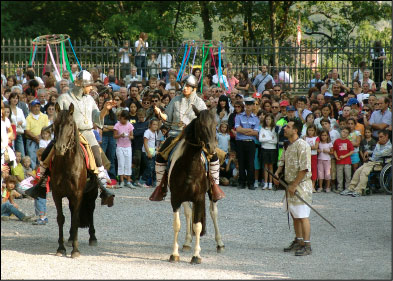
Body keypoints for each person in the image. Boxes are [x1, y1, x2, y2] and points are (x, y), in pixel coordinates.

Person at [25, 70, 115, 206]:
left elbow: (97, 118)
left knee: (97, 156)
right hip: (68, 133)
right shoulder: (64, 98)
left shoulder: (90, 99)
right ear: (81, 85)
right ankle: (41, 183)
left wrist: (105, 110)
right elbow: (56, 117)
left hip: (87, 132)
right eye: (89, 85)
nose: (91, 88)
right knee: (47, 154)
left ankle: (102, 187)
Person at [150, 74, 225, 201]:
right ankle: (160, 187)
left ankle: (214, 186)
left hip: (193, 136)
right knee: (160, 156)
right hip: (175, 135)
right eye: (184, 85)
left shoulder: (199, 102)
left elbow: (204, 121)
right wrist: (160, 114)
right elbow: (168, 120)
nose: (184, 87)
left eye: (188, 86)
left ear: (194, 88)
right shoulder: (175, 100)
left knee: (214, 155)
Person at [274, 118, 313, 256]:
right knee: (295, 214)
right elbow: (282, 160)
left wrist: (295, 184)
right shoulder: (288, 145)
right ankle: (299, 240)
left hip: (301, 184)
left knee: (302, 215)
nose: (284, 128)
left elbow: (305, 168)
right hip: (290, 184)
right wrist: (277, 173)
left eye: (288, 127)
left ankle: (307, 246)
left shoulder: (303, 145)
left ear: (295, 130)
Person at [342, 130, 391, 197]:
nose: (379, 139)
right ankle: (351, 188)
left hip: (380, 163)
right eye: (379, 137)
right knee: (358, 171)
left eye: (381, 137)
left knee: (364, 172)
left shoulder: (389, 147)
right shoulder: (381, 144)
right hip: (372, 162)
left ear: (386, 136)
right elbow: (375, 152)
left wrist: (378, 144)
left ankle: (359, 190)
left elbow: (377, 154)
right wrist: (368, 151)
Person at [234, 97, 260, 190]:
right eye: (247, 104)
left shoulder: (256, 118)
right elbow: (237, 129)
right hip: (240, 142)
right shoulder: (238, 116)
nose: (248, 106)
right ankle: (241, 182)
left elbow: (256, 132)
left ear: (253, 106)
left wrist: (243, 130)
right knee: (241, 162)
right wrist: (250, 130)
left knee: (250, 163)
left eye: (250, 104)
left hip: (250, 143)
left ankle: (250, 183)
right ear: (245, 105)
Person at [25, 99, 49, 170]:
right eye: (35, 106)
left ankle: (41, 172)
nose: (37, 108)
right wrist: (35, 137)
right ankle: (34, 173)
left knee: (42, 157)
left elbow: (46, 128)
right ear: (31, 107)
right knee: (32, 158)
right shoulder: (28, 117)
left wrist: (40, 136)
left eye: (38, 106)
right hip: (31, 140)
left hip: (43, 140)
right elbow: (26, 130)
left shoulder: (44, 116)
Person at [113, 110, 135, 188]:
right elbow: (114, 136)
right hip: (120, 146)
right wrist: (120, 135)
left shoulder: (130, 125)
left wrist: (128, 136)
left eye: (126, 119)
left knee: (128, 163)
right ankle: (121, 181)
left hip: (128, 146)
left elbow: (132, 136)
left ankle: (128, 181)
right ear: (120, 118)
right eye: (123, 119)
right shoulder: (117, 125)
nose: (124, 120)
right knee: (121, 163)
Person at [259, 113, 278, 190]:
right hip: (264, 148)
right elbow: (260, 139)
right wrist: (270, 139)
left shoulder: (274, 129)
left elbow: (275, 141)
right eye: (266, 119)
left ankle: (270, 183)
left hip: (272, 149)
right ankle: (266, 183)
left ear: (272, 120)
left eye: (269, 119)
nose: (267, 121)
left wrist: (266, 139)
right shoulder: (262, 128)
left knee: (271, 166)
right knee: (265, 167)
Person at [333, 127, 354, 194]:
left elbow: (352, 151)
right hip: (339, 161)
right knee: (339, 176)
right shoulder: (337, 141)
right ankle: (340, 188)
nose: (344, 134)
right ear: (340, 132)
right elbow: (334, 150)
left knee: (348, 175)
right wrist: (336, 156)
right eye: (343, 131)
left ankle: (347, 188)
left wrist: (344, 156)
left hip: (347, 161)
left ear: (348, 134)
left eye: (346, 133)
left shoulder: (348, 141)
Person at [140, 119, 159, 188]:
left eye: (156, 124)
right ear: (150, 125)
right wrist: (148, 153)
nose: (155, 126)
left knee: (153, 168)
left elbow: (154, 143)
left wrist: (156, 149)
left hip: (153, 152)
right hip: (147, 152)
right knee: (149, 167)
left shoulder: (155, 132)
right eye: (154, 124)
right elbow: (145, 142)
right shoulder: (147, 132)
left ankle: (154, 182)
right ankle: (141, 181)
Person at [303, 124, 318, 192]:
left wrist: (308, 147)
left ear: (314, 131)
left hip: (313, 155)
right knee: (306, 170)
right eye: (309, 130)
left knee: (313, 170)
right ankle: (305, 185)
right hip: (306, 156)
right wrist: (311, 147)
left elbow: (316, 147)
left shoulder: (316, 138)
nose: (310, 132)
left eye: (312, 130)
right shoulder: (304, 137)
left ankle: (313, 186)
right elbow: (303, 146)